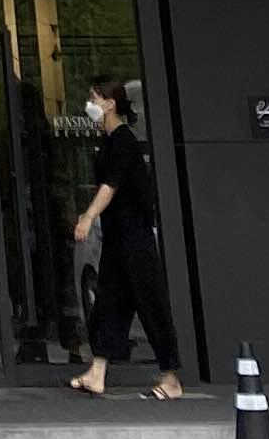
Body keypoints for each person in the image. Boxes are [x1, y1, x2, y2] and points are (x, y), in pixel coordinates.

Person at [68, 75, 185, 400]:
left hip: (135, 235)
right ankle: (97, 371)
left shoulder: (123, 140)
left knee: (150, 302)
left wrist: (88, 216)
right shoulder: (108, 141)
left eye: (94, 98)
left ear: (110, 103)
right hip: (117, 236)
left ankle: (171, 378)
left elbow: (110, 186)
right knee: (108, 301)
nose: (89, 105)